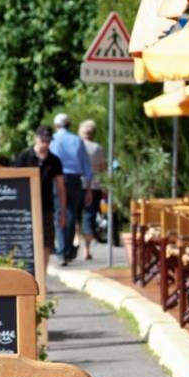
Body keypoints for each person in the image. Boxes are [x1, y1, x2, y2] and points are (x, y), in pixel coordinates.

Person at [14, 125, 66, 271]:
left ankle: (42, 276)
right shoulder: (24, 157)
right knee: (26, 242)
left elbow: (61, 187)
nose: (46, 144)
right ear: (36, 138)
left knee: (46, 242)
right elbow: (14, 183)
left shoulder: (54, 160)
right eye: (43, 140)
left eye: (48, 141)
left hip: (46, 208)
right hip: (26, 209)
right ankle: (29, 274)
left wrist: (62, 212)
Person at [51, 113, 93, 264]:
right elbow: (86, 167)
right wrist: (88, 189)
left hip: (58, 179)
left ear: (56, 126)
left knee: (59, 213)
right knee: (70, 215)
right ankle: (67, 250)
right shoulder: (77, 140)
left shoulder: (53, 139)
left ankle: (63, 251)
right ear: (69, 125)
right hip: (75, 180)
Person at [78, 119, 107, 260]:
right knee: (89, 217)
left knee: (76, 216)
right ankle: (87, 249)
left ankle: (76, 241)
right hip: (95, 186)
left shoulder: (77, 146)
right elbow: (103, 168)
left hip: (77, 185)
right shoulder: (97, 148)